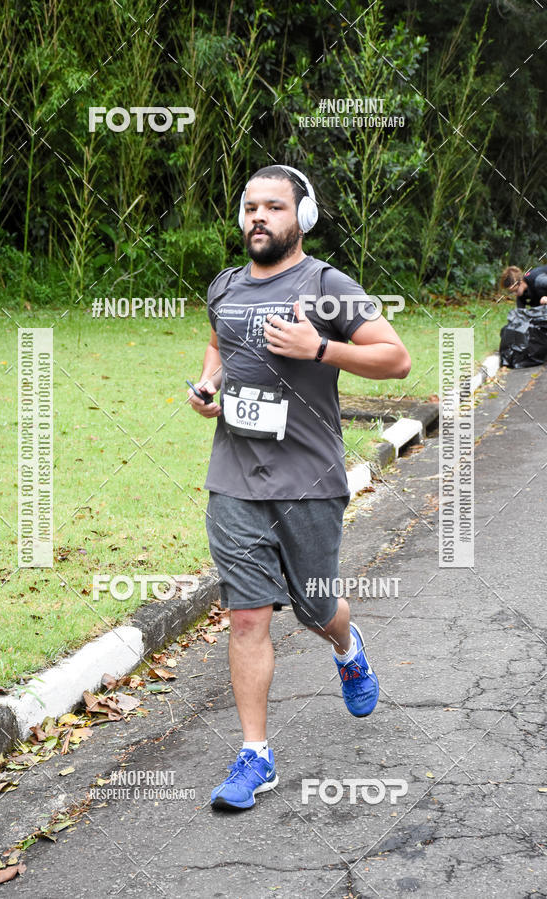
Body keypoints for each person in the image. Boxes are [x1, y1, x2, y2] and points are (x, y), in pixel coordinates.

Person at [187, 164, 411, 811]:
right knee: (248, 614)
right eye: (250, 205)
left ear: (301, 217)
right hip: (233, 476)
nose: (259, 216)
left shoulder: (325, 285)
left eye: (274, 206)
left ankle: (347, 645)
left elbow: (394, 356)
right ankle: (256, 754)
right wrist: (208, 387)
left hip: (309, 479)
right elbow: (218, 343)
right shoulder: (226, 286)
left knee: (315, 606)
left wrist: (320, 348)